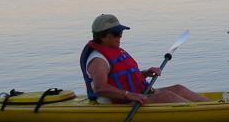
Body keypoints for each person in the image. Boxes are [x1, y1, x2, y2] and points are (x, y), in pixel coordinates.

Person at [80, 14, 210, 104]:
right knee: (167, 96)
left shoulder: (113, 49)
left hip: (135, 95)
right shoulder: (98, 60)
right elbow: (100, 88)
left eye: (120, 33)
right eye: (116, 34)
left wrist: (145, 73)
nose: (120, 37)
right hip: (118, 103)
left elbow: (123, 76)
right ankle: (205, 113)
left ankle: (212, 105)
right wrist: (128, 95)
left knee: (178, 89)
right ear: (102, 37)